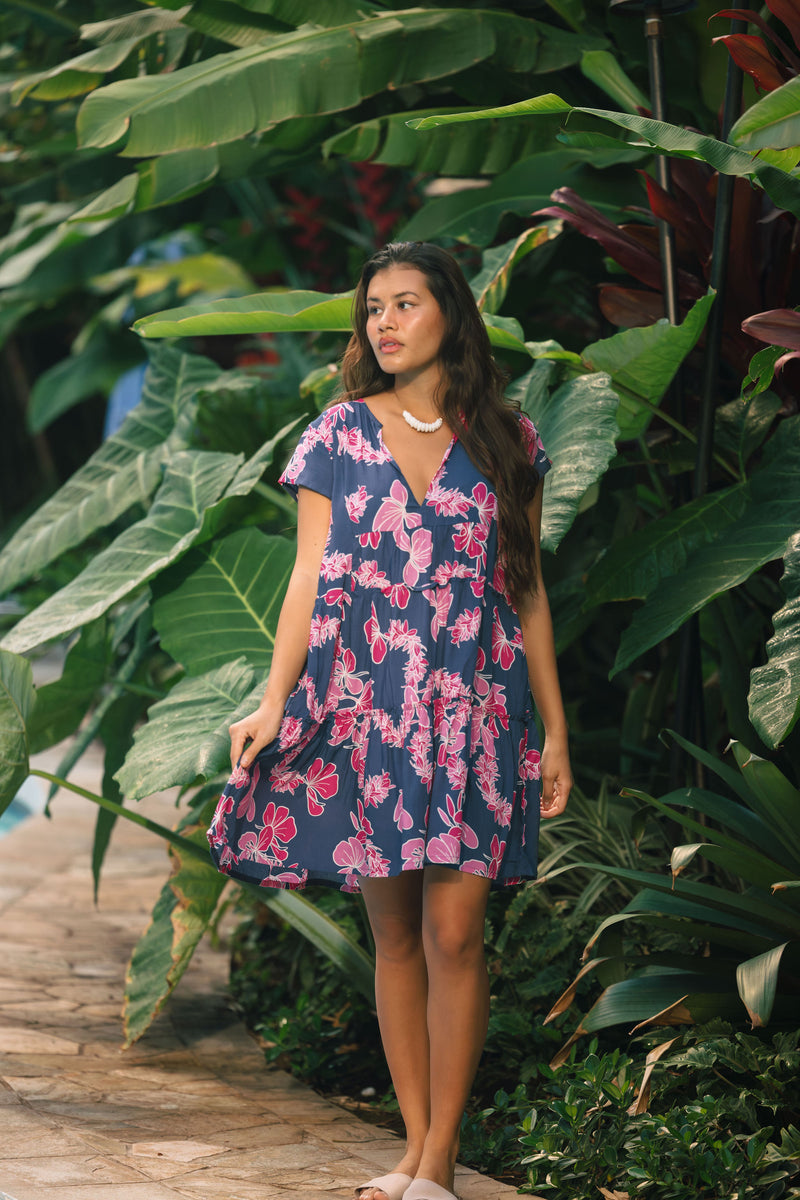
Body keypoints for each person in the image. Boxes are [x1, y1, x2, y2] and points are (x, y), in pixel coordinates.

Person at [207, 241, 572, 1200]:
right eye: (374, 310)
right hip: (368, 707)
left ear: (450, 311)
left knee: (457, 934)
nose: (385, 323)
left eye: (405, 304)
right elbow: (306, 579)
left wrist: (555, 732)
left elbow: (528, 592)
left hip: (475, 709)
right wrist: (273, 698)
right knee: (398, 938)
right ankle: (414, 1151)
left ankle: (439, 1163)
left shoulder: (509, 439)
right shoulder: (336, 434)